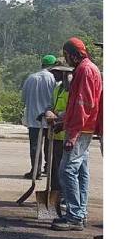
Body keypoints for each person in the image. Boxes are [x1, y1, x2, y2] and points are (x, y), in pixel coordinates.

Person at [51, 37, 102, 231]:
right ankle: (80, 213)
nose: (66, 60)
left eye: (66, 56)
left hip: (81, 129)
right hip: (82, 127)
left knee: (67, 171)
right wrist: (63, 121)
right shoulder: (86, 69)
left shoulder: (85, 70)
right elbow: (76, 106)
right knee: (80, 172)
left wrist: (72, 134)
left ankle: (74, 216)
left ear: (72, 54)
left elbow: (84, 105)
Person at [43, 60, 74, 218]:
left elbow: (73, 110)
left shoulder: (73, 89)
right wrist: (48, 111)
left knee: (66, 170)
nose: (54, 75)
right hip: (54, 133)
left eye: (57, 72)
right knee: (54, 168)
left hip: (67, 135)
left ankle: (65, 199)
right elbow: (51, 104)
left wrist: (58, 116)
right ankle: (55, 197)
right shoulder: (57, 87)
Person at [21, 54, 57, 179]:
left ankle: (35, 170)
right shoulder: (54, 79)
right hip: (50, 118)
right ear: (53, 66)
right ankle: (48, 169)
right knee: (49, 145)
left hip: (34, 118)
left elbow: (23, 98)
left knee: (35, 146)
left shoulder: (31, 78)